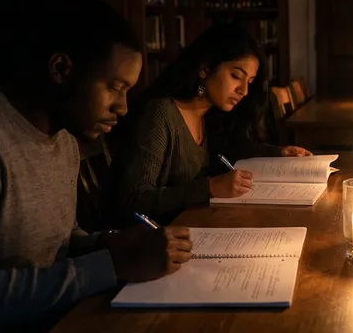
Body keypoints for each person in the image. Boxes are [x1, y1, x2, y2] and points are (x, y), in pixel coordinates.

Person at [0, 0, 193, 333]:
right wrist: (112, 265)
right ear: (61, 69)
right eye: (114, 87)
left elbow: (58, 244)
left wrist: (110, 242)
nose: (123, 107)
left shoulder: (64, 139)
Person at [113, 22, 311, 225]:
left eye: (250, 82)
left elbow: (234, 150)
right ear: (205, 69)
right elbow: (133, 200)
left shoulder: (210, 115)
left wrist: (277, 152)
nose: (244, 91)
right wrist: (209, 187)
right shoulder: (160, 114)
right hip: (162, 238)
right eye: (236, 76)